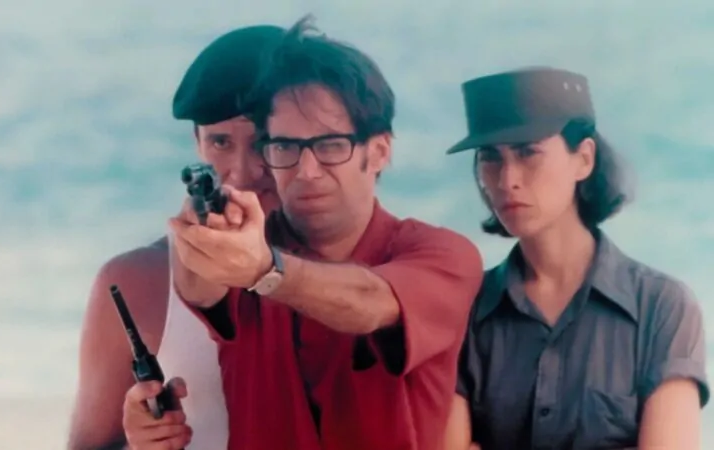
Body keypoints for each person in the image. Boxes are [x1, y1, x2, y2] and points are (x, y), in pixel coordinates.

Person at [166, 16, 485, 450]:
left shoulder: (443, 254)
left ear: (379, 151)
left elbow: (370, 302)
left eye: (331, 145)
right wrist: (203, 229)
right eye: (286, 147)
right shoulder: (247, 249)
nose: (307, 171)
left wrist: (266, 271)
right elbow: (199, 286)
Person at [442, 67, 709, 450]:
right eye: (490, 157)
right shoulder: (463, 309)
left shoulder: (661, 306)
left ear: (584, 158)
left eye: (528, 152)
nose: (506, 179)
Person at [66, 24, 285, 450]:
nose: (242, 173)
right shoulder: (138, 281)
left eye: (265, 143)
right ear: (197, 144)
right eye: (220, 142)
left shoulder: (357, 269)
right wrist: (140, 444)